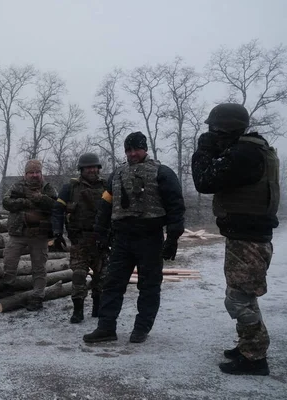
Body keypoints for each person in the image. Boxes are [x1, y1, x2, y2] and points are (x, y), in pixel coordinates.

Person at [192, 103, 278, 376]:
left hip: (248, 238)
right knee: (242, 296)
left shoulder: (246, 154)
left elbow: (204, 181)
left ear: (223, 128)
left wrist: (204, 149)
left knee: (239, 299)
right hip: (247, 235)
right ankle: (248, 345)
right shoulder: (253, 149)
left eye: (213, 130)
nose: (211, 134)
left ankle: (254, 358)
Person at [83, 131, 185, 344]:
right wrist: (100, 233)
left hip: (150, 238)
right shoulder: (117, 175)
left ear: (145, 149)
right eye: (128, 150)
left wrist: (173, 238)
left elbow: (175, 206)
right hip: (122, 239)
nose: (132, 154)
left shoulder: (162, 173)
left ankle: (141, 328)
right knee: (112, 284)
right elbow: (106, 206)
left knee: (148, 285)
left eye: (136, 149)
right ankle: (106, 327)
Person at [52, 153, 107, 323]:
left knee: (102, 277)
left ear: (98, 168)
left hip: (101, 240)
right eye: (87, 167)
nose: (91, 170)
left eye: (94, 167)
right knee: (78, 276)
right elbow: (57, 211)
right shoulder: (70, 188)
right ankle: (78, 311)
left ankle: (98, 309)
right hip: (79, 240)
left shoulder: (107, 186)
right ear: (81, 170)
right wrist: (57, 233)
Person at [1, 159, 58, 311]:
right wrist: (26, 202)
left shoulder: (48, 188)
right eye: (31, 172)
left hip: (39, 234)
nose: (34, 175)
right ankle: (8, 288)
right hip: (18, 232)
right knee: (9, 260)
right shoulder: (17, 186)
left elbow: (57, 206)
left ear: (41, 173)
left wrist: (41, 199)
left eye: (37, 172)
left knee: (39, 267)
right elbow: (6, 202)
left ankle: (38, 296)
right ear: (25, 174)